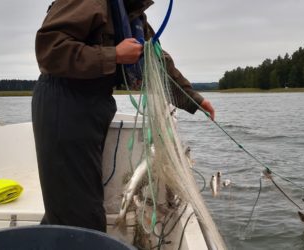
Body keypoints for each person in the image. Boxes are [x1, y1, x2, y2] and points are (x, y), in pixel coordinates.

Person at [32, 0, 215, 233]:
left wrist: (193, 99)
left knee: (73, 205)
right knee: (79, 217)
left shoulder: (132, 12)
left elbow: (157, 59)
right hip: (63, 105)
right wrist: (114, 55)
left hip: (95, 106)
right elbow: (49, 49)